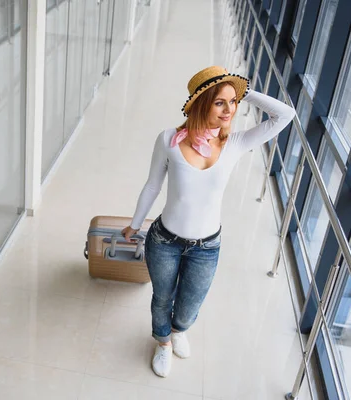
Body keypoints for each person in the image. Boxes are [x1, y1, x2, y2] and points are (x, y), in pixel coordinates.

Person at [121, 66, 296, 378]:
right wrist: (134, 225)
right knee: (162, 298)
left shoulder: (236, 143)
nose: (230, 109)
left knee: (189, 305)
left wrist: (243, 90)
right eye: (220, 102)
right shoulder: (169, 140)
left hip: (207, 246)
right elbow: (152, 186)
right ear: (201, 104)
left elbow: (286, 115)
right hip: (164, 241)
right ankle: (163, 343)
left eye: (233, 102)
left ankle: (178, 330)